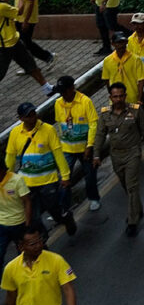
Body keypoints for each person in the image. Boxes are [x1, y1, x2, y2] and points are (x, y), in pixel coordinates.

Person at [6, 102, 74, 238]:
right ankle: (41, 238)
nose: (33, 117)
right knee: (33, 216)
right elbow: (10, 158)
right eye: (28, 116)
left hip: (48, 181)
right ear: (21, 119)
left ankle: (65, 218)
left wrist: (65, 176)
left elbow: (58, 154)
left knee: (54, 209)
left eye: (33, 114)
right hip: (27, 184)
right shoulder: (15, 133)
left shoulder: (48, 130)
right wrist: (7, 179)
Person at [93, 83, 144, 236]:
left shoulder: (135, 110)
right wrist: (96, 154)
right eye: (115, 96)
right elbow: (100, 135)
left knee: (132, 186)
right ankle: (137, 208)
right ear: (110, 98)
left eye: (121, 96)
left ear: (125, 96)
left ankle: (132, 221)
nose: (118, 99)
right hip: (116, 156)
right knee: (125, 185)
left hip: (133, 153)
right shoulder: (105, 114)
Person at [2, 227, 77, 305]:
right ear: (21, 247)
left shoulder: (56, 260)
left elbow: (68, 288)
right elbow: (10, 298)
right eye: (33, 244)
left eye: (40, 241)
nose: (38, 245)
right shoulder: (11, 268)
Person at [51, 76, 100, 211]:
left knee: (89, 175)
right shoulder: (58, 104)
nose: (63, 95)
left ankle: (94, 198)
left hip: (85, 147)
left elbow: (93, 124)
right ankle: (64, 206)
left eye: (65, 91)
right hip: (67, 148)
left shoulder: (85, 102)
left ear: (72, 88)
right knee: (64, 179)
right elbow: (60, 126)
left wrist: (89, 145)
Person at [0, 0, 52, 94]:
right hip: (5, 45)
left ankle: (47, 88)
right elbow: (19, 11)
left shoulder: (2, 3)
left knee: (30, 64)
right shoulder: (2, 7)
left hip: (14, 41)